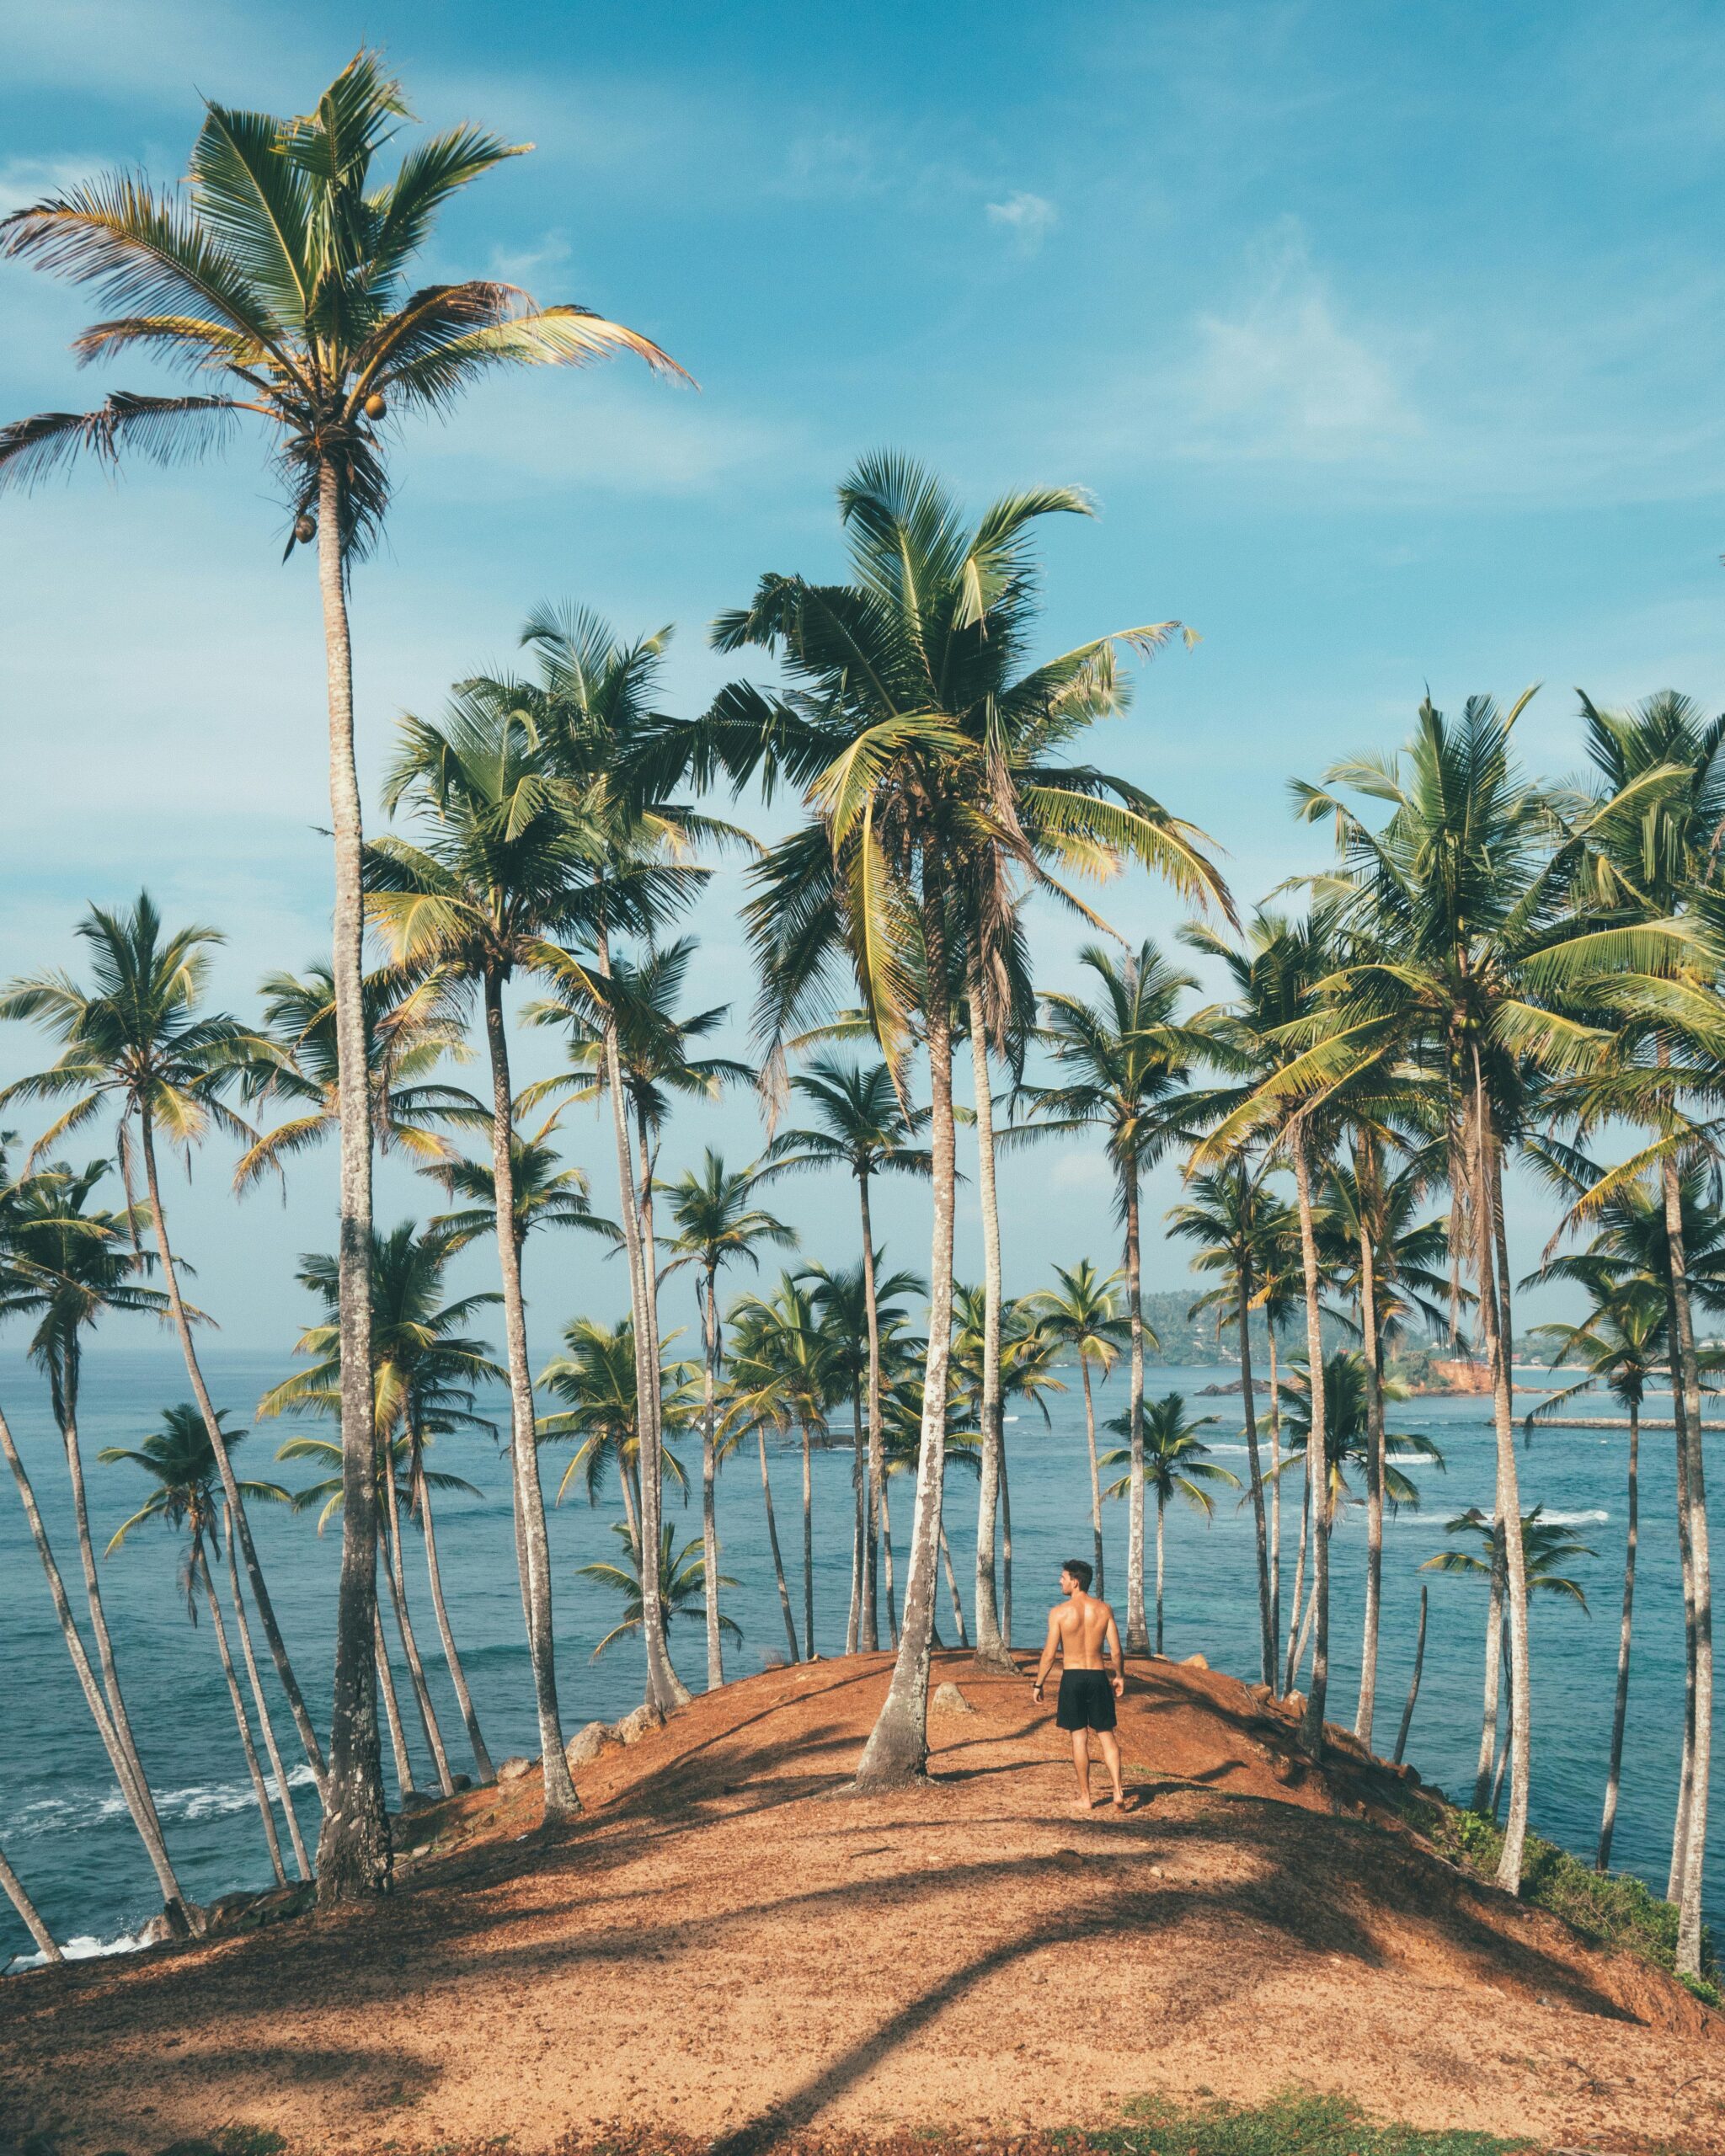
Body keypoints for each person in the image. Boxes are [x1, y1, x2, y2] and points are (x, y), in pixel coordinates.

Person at [1032, 1558, 1132, 1812]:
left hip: (1073, 1677)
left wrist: (1038, 1683)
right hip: (1098, 1676)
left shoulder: (1059, 1613)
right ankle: (1118, 1791)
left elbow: (1049, 1654)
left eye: (1063, 1578)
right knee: (1107, 1736)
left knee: (1079, 1738)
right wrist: (1119, 1675)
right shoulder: (1104, 1610)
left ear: (1075, 1582)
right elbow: (1117, 1651)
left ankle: (1086, 1798)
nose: (1060, 1581)